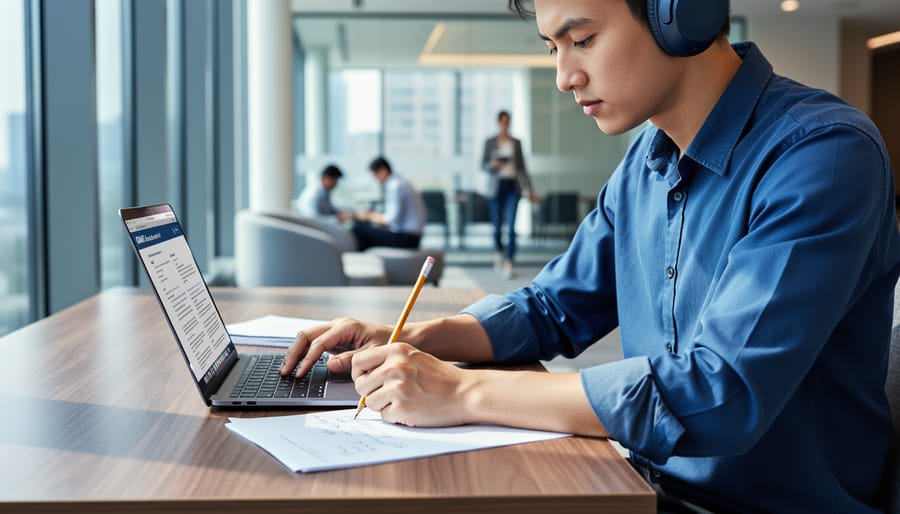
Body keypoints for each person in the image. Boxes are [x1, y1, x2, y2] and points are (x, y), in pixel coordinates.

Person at [281, 0, 900, 512]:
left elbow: (721, 393)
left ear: (679, 14)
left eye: (582, 39)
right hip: (645, 485)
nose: (564, 76)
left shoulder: (821, 155)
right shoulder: (646, 161)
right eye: (554, 48)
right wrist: (407, 337)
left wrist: (461, 393)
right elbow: (553, 306)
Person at [481, 110, 536, 279]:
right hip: (496, 188)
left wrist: (529, 189)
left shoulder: (516, 143)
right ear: (498, 122)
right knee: (497, 228)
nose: (505, 124)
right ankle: (500, 252)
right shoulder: (490, 142)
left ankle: (509, 261)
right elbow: (483, 165)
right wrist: (494, 164)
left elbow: (523, 168)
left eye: (507, 121)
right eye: (502, 121)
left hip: (513, 186)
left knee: (511, 227)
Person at [351, 156, 426, 250]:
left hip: (407, 238)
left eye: (375, 176)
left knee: (358, 230)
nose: (377, 180)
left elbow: (391, 220)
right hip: (411, 236)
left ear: (383, 171)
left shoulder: (395, 186)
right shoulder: (402, 182)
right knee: (365, 229)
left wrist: (369, 216)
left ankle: (361, 263)